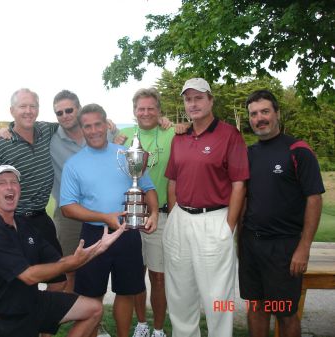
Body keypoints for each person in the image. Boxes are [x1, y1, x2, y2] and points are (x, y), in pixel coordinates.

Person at [0, 165, 126, 337]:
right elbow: (28, 276)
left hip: (32, 305)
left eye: (14, 182)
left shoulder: (24, 225)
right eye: (1, 183)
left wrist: (98, 248)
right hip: (1, 320)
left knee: (93, 309)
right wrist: (71, 263)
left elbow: (59, 262)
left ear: (19, 189)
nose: (9, 187)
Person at [60, 103, 159, 337]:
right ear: (82, 129)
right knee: (91, 297)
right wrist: (104, 217)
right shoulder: (74, 164)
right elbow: (67, 208)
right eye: (87, 126)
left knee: (126, 293)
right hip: (94, 236)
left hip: (128, 233)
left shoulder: (126, 155)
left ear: (106, 124)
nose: (93, 130)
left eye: (97, 124)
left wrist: (153, 213)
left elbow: (148, 188)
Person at [164, 78, 249, 337]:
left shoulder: (229, 135)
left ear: (211, 100)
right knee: (180, 295)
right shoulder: (179, 137)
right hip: (180, 219)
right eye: (188, 99)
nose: (193, 103)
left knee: (217, 298)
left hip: (214, 219)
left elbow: (239, 185)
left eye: (199, 97)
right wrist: (173, 217)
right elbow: (173, 181)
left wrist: (228, 227)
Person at [239, 90, 325, 337]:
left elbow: (314, 199)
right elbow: (244, 199)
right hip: (251, 246)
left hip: (285, 248)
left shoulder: (298, 150)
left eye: (265, 111)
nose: (259, 118)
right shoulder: (250, 154)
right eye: (254, 114)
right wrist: (240, 244)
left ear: (277, 113)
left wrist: (304, 247)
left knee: (286, 314)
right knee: (256, 308)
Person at [0, 88, 66, 291]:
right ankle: (26, 321)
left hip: (40, 218)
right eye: (23, 106)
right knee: (22, 285)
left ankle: (43, 322)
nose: (28, 111)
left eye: (33, 106)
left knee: (59, 279)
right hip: (13, 222)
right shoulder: (0, 145)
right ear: (12, 110)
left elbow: (71, 122)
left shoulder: (46, 130)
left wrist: (107, 123)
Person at [116, 88, 174, 337]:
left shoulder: (172, 132)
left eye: (151, 108)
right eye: (141, 108)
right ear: (134, 111)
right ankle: (141, 324)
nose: (146, 112)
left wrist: (177, 124)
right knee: (134, 275)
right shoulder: (122, 136)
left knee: (158, 277)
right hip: (129, 215)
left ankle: (159, 329)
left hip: (159, 215)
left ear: (160, 111)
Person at [50, 89, 118, 295]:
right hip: (69, 215)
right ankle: (71, 316)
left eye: (69, 110)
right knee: (70, 267)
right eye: (59, 113)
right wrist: (6, 129)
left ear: (78, 109)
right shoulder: (51, 139)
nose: (64, 116)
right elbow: (24, 126)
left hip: (101, 214)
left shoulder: (107, 132)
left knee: (96, 269)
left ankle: (90, 318)